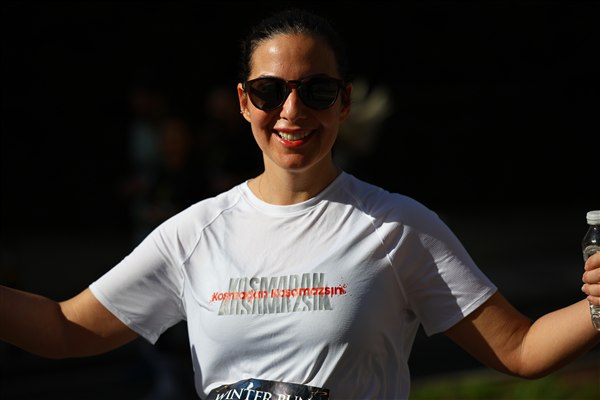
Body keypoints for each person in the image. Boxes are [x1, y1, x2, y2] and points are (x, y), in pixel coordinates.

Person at [1, 8, 599, 400]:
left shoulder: (399, 227)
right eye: (269, 91)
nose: (292, 111)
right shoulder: (196, 232)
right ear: (243, 102)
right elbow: (64, 329)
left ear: (343, 102)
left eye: (316, 90)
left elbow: (520, 349)